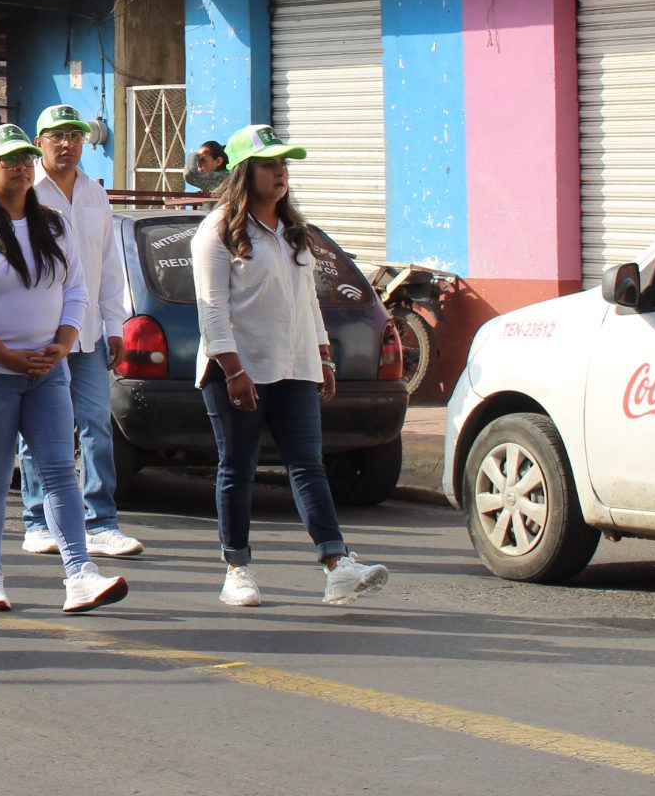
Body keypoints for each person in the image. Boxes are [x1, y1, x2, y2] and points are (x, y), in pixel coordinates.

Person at [191, 124, 391, 609]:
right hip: (237, 369)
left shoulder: (294, 232)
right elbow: (212, 308)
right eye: (268, 165)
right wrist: (234, 369)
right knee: (237, 468)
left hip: (295, 365)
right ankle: (236, 568)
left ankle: (336, 564)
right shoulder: (216, 231)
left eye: (283, 165)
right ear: (243, 173)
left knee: (308, 466)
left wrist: (322, 354)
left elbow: (308, 302)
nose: (280, 174)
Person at [0, 124, 128, 615]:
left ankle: (79, 573)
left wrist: (62, 345)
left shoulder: (54, 225)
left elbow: (76, 291)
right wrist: (6, 356)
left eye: (26, 158)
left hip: (48, 369)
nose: (22, 167)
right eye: (9, 160)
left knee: (61, 472)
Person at [20, 104, 144, 559]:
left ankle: (101, 521)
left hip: (89, 334)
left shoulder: (94, 194)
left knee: (96, 425)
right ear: (40, 143)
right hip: (40, 333)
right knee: (38, 430)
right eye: (57, 136)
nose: (67, 144)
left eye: (74, 136)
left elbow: (109, 267)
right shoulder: (26, 191)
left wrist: (117, 324)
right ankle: (37, 519)